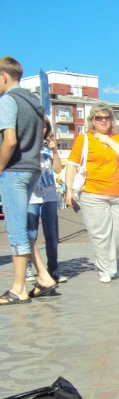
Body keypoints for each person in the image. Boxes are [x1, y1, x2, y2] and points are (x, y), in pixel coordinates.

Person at [0, 56, 53, 306]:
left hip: (14, 169)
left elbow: (9, 140)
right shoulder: (34, 102)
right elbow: (41, 133)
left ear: (4, 77)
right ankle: (42, 275)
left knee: (17, 229)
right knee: (27, 228)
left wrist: (0, 167)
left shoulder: (8, 101)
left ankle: (18, 288)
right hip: (32, 168)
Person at [64, 103, 119, 283]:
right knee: (100, 233)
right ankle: (106, 269)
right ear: (92, 121)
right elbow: (72, 165)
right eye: (99, 118)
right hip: (93, 193)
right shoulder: (84, 139)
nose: (103, 121)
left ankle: (107, 263)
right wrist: (69, 190)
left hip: (118, 193)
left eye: (107, 118)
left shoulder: (117, 138)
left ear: (111, 121)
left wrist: (108, 140)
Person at [26, 115, 69, 285]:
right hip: (31, 196)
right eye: (38, 126)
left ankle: (53, 269)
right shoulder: (27, 145)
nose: (42, 130)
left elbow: (58, 169)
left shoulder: (48, 147)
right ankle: (29, 267)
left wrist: (55, 151)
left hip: (50, 195)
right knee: (31, 233)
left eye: (44, 127)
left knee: (51, 234)